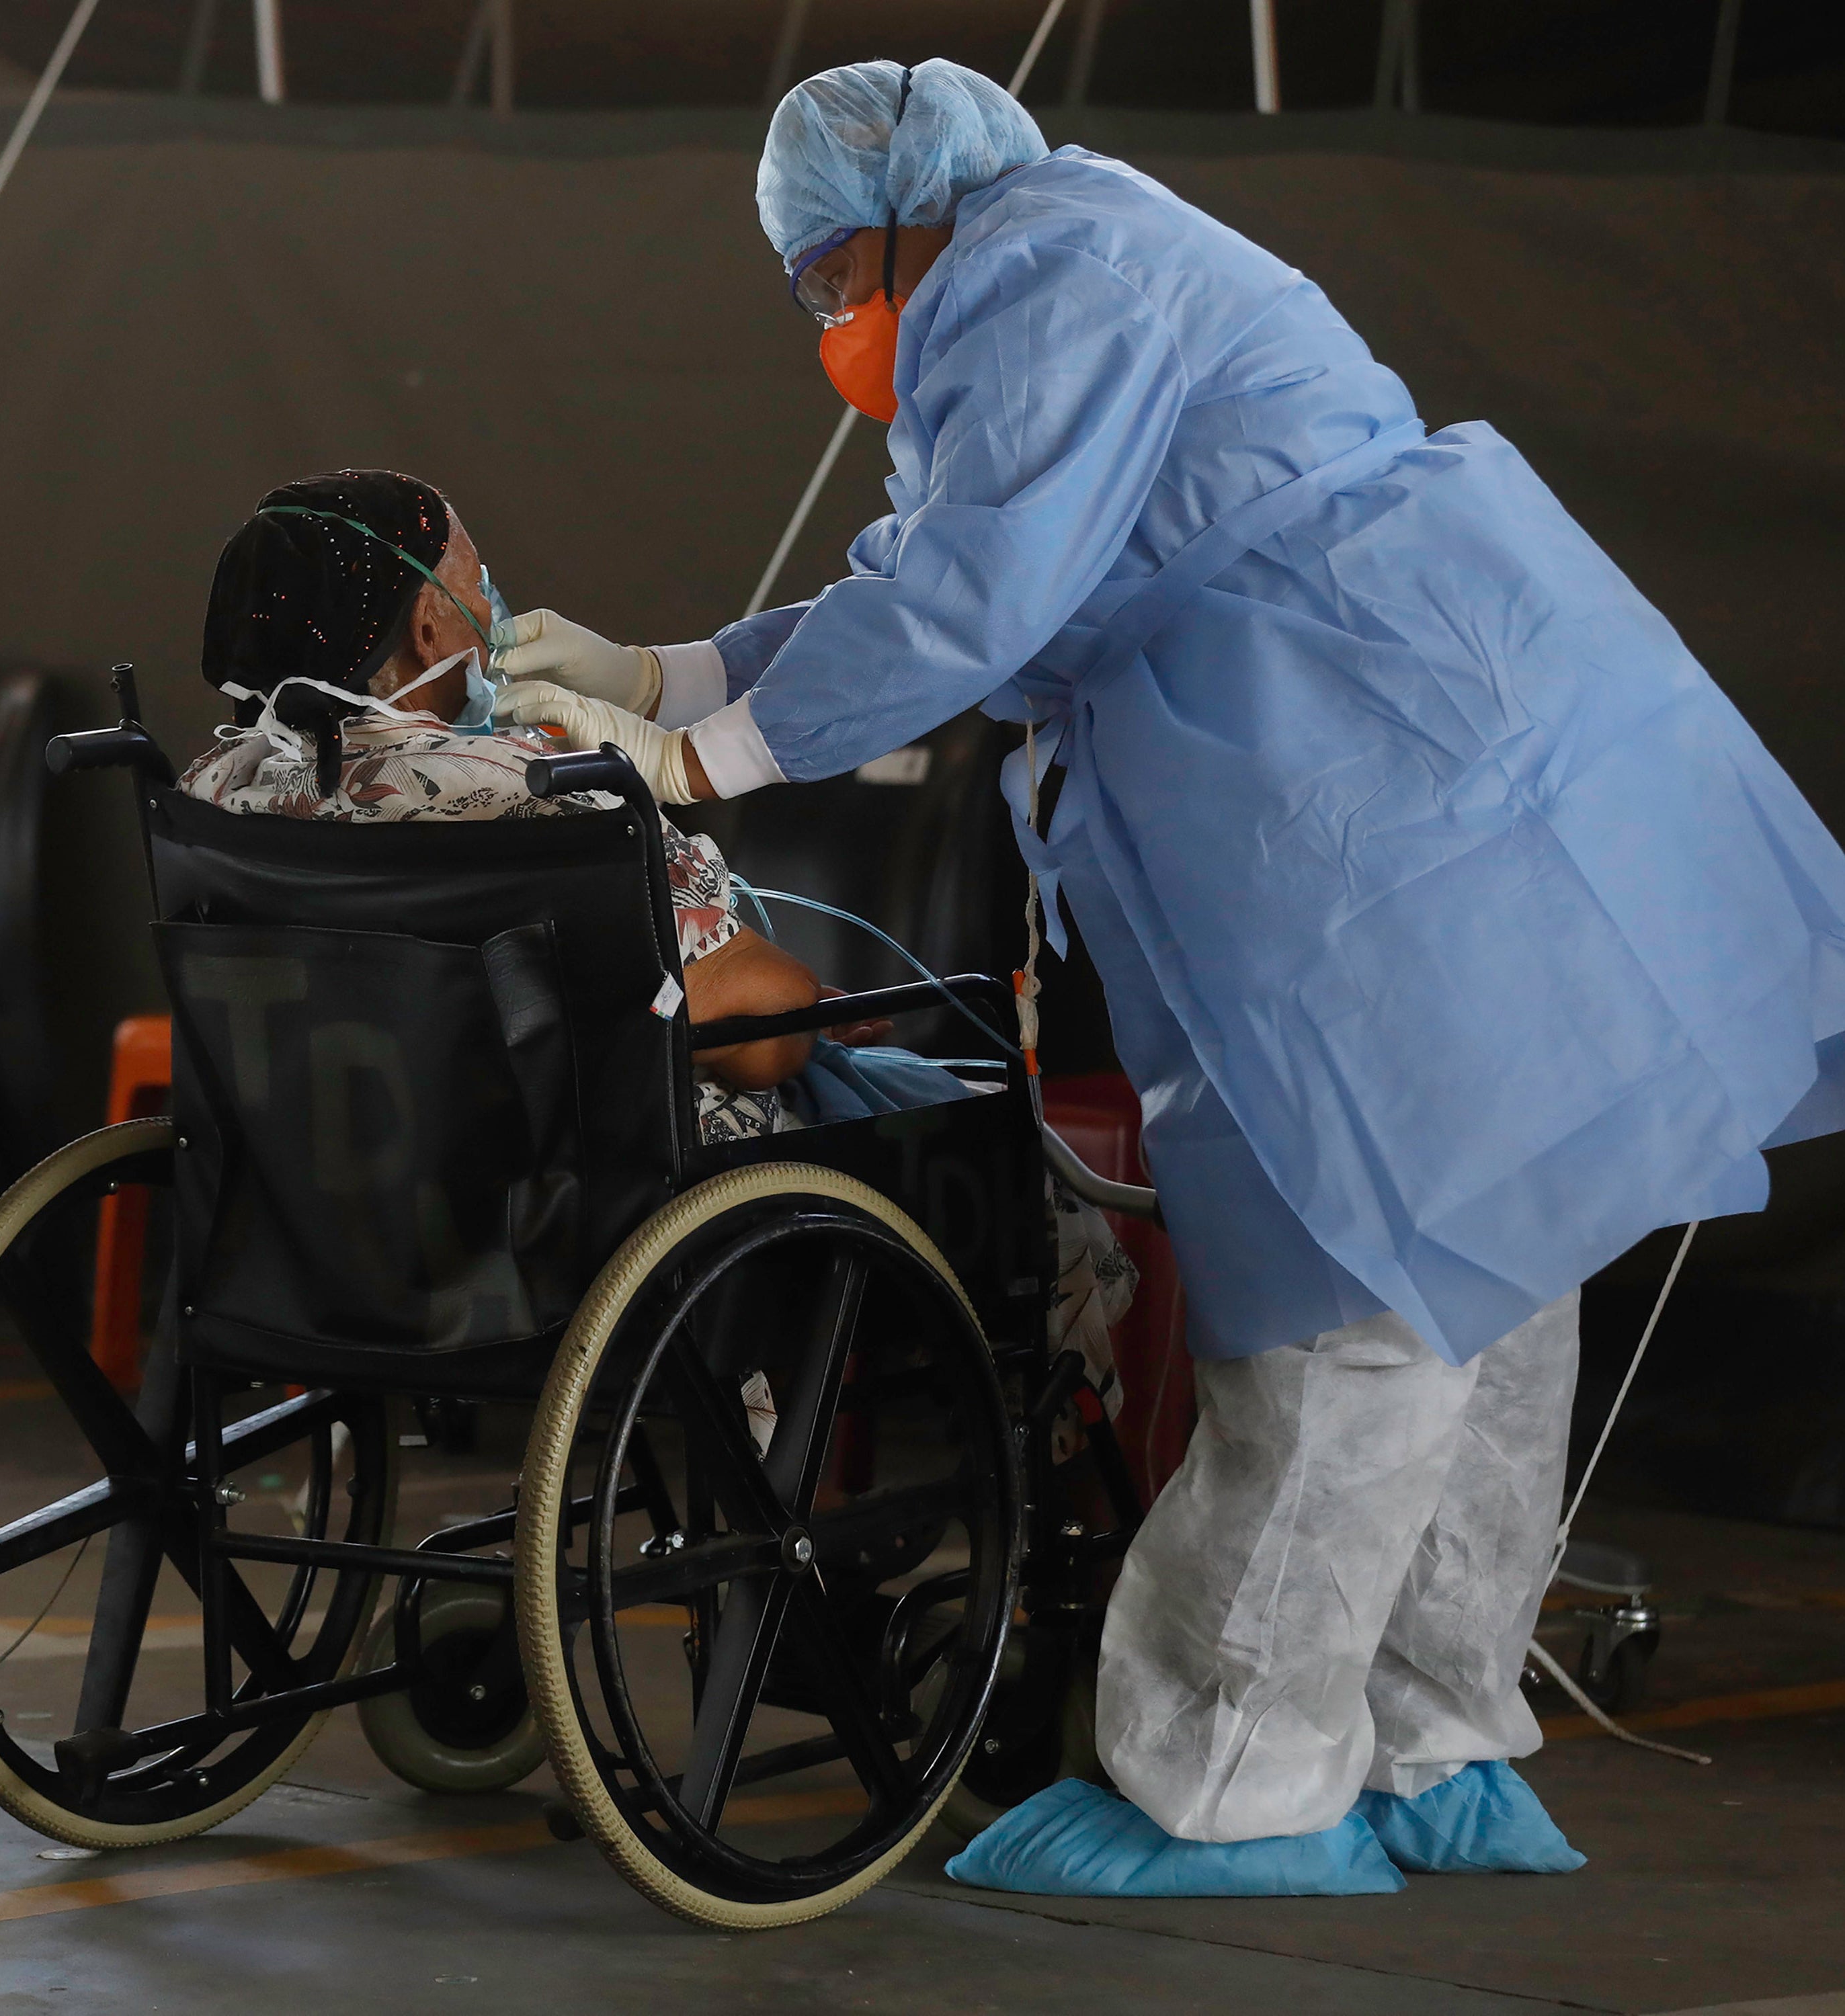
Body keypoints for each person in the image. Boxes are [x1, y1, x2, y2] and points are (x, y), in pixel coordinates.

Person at [490, 60, 1845, 1894]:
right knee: (1489, 1269)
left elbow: (975, 600)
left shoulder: (1042, 278)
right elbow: (957, 574)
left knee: (1351, 1288)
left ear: (905, 218)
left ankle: (1241, 1781)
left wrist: (696, 761)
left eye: (827, 281)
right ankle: (1434, 1745)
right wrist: (669, 671)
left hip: (1372, 795)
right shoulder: (1084, 261)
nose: (831, 323)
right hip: (1458, 751)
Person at [184, 468, 969, 1144]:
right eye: (475, 586)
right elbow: (764, 1035)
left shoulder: (217, 791)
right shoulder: (535, 788)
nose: (490, 609)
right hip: (572, 1195)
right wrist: (794, 1008)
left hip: (344, 1183)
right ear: (429, 628)